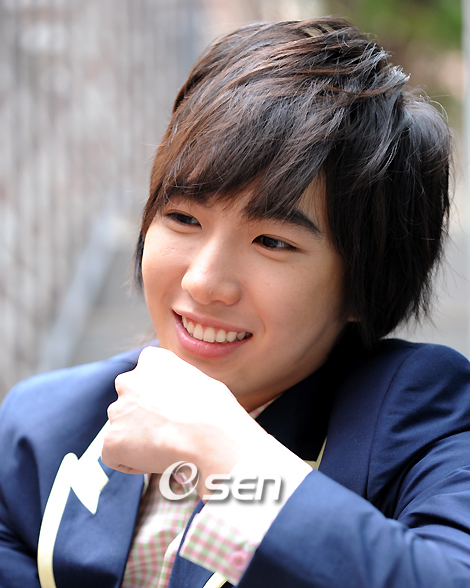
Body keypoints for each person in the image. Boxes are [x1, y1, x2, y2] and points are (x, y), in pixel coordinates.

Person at [1, 16, 469, 588]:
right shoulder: (44, 430)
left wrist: (225, 456)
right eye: (182, 217)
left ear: (362, 282)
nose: (204, 282)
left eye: (272, 241)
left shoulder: (413, 418)